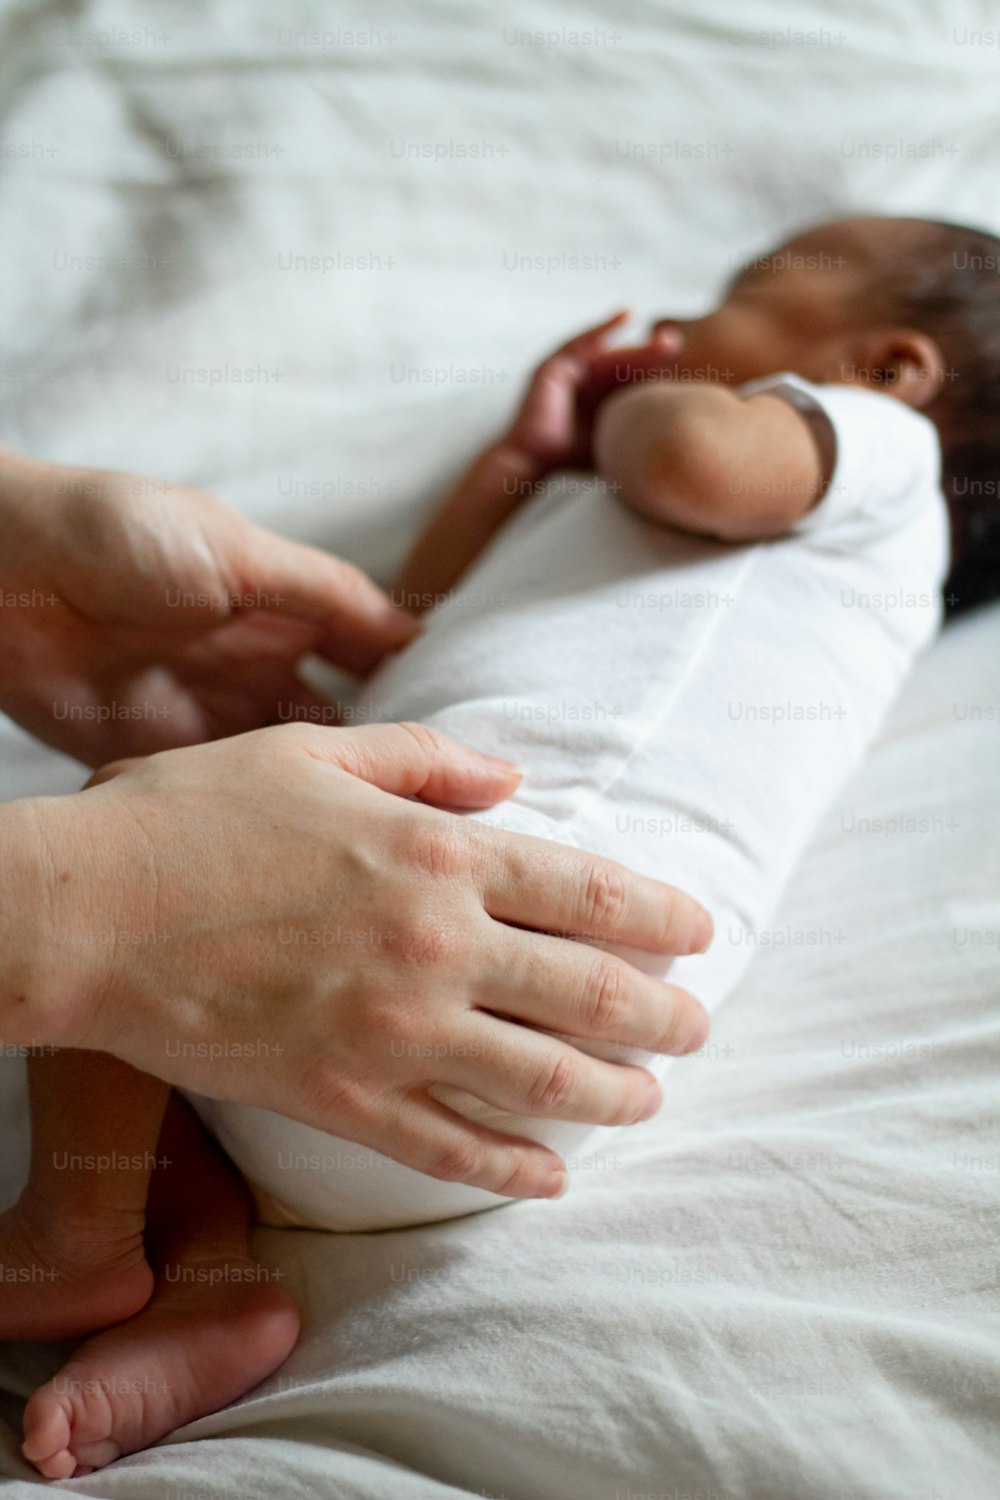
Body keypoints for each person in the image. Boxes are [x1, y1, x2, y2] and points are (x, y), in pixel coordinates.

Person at [10, 211, 1000, 1479]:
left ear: (894, 366)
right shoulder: (654, 521)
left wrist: (636, 407)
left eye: (738, 293)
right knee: (181, 988)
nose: (681, 327)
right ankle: (209, 1279)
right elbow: (410, 638)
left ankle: (74, 1230)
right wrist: (522, 463)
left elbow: (695, 457)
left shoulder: (877, 455)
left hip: (505, 910)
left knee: (135, 841)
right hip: (466, 1071)